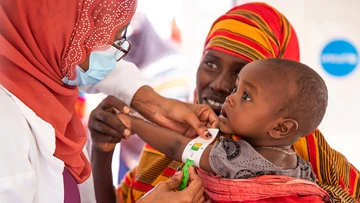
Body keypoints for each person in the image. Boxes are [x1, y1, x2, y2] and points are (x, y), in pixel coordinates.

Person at [88, 2, 360, 203]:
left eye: (243, 78)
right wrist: (102, 152)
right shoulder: (164, 147)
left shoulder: (324, 169)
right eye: (210, 63)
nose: (219, 85)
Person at [0, 0, 218, 202]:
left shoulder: (47, 89)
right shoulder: (7, 125)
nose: (114, 53)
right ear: (59, 30)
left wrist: (153, 104)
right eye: (110, 38)